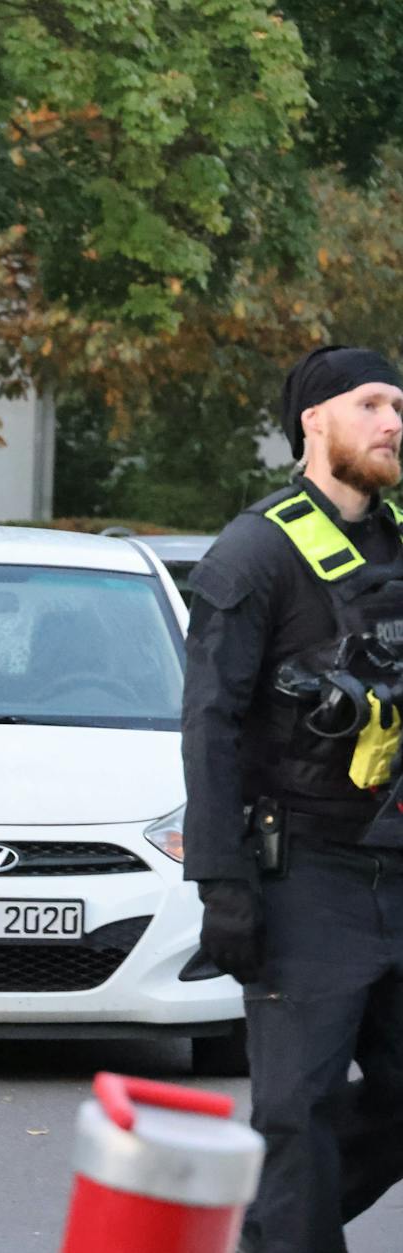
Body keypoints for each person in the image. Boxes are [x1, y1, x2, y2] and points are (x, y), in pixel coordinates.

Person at [182, 345, 403, 1253]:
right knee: (297, 1108)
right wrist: (223, 885)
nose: (393, 422)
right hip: (303, 873)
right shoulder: (256, 550)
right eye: (371, 404)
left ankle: (273, 1232)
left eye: (399, 406)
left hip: (397, 863)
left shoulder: (398, 543)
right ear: (314, 421)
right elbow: (210, 725)